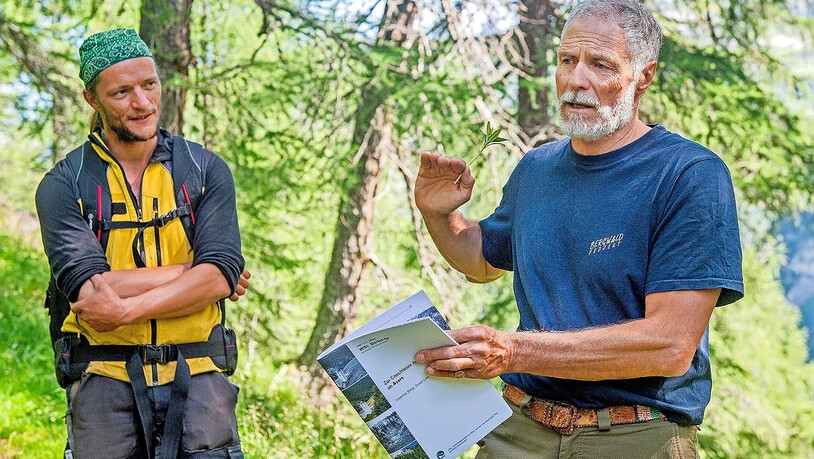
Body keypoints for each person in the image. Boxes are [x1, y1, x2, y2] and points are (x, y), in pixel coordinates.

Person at [413, 1, 743, 457]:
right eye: (567, 60)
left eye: (600, 64)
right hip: (518, 429)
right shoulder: (537, 168)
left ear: (643, 77)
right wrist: (438, 214)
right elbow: (482, 261)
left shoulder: (688, 175)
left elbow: (669, 345)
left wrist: (510, 352)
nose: (575, 80)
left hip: (634, 436)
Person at [36, 28, 249, 458]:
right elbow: (92, 294)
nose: (142, 103)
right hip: (103, 382)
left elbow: (219, 275)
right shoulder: (63, 184)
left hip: (200, 374)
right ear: (92, 99)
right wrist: (194, 273)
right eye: (122, 92)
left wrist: (128, 308)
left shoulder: (204, 170)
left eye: (149, 84)